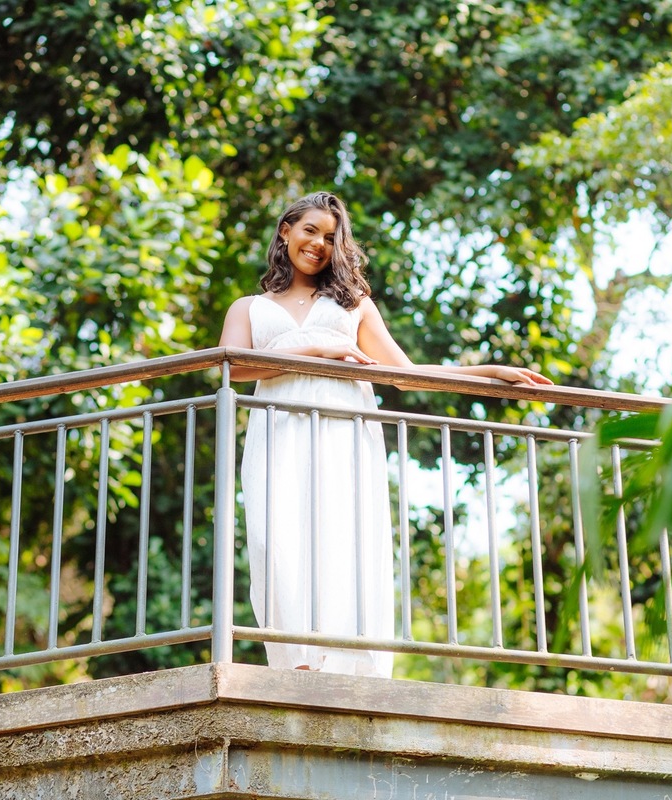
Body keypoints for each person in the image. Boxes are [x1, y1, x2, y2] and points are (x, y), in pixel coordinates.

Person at [218, 191, 551, 678]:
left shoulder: (352, 304)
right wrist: (314, 349)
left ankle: (348, 664)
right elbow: (232, 366)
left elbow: (404, 374)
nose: (318, 244)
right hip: (278, 435)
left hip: (343, 433)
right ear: (286, 230)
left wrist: (488, 372)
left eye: (331, 238)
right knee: (279, 541)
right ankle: (298, 661)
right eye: (310, 230)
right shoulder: (249, 307)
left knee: (341, 537)